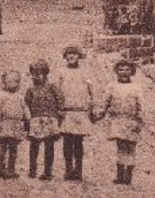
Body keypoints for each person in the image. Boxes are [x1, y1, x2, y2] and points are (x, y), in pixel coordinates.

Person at [93, 57, 144, 185]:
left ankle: (129, 175)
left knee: (131, 147)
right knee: (121, 146)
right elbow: (105, 102)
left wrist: (140, 119)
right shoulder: (112, 86)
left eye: (127, 69)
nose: (123, 72)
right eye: (120, 70)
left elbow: (141, 105)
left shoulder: (136, 87)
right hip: (118, 120)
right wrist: (99, 114)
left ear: (131, 71)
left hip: (132, 120)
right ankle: (120, 174)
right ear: (116, 71)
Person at [52, 44, 94, 180]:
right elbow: (56, 90)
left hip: (80, 111)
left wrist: (92, 106)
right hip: (67, 111)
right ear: (65, 57)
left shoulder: (85, 72)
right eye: (68, 54)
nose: (71, 56)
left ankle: (79, 169)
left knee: (78, 142)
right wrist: (58, 108)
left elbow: (91, 89)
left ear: (79, 56)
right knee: (67, 141)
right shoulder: (61, 72)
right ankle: (68, 168)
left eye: (74, 54)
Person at [24, 59, 63, 180]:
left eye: (39, 74)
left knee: (49, 146)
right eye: (33, 74)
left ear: (46, 74)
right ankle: (32, 170)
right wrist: (27, 120)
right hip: (35, 120)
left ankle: (48, 171)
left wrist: (59, 113)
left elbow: (60, 99)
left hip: (50, 120)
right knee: (34, 146)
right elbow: (26, 104)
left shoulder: (53, 87)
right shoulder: (30, 90)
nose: (36, 77)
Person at [0, 70, 30, 179]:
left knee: (14, 148)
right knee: (4, 147)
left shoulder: (19, 96)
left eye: (16, 81)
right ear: (5, 82)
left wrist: (27, 117)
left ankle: (11, 169)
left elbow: (25, 108)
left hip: (16, 125)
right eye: (10, 81)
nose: (13, 84)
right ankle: (2, 169)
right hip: (4, 123)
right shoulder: (0, 95)